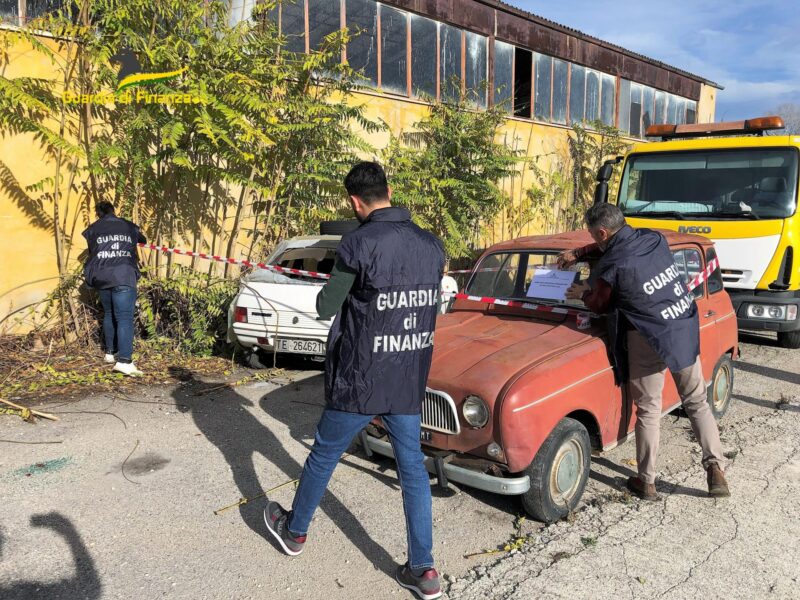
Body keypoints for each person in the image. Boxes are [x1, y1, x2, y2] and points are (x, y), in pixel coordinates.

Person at [263, 162, 446, 600]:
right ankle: (423, 570)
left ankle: (295, 532)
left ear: (354, 201)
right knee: (413, 469)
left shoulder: (357, 243)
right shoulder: (431, 244)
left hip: (361, 378)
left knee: (324, 455)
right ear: (388, 191)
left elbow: (327, 306)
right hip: (406, 377)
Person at [559, 203, 730, 500]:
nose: (593, 239)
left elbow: (600, 304)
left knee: (649, 409)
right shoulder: (653, 238)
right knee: (697, 402)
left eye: (593, 235)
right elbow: (616, 244)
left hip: (647, 334)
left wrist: (583, 292)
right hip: (681, 325)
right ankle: (716, 469)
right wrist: (580, 252)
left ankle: (646, 481)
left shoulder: (613, 264)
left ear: (602, 232)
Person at [82, 201, 146, 377]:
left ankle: (110, 353)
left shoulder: (93, 228)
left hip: (101, 275)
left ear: (98, 214)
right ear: (113, 210)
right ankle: (124, 361)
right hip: (123, 275)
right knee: (124, 317)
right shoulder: (127, 225)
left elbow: (92, 249)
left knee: (109, 313)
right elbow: (143, 240)